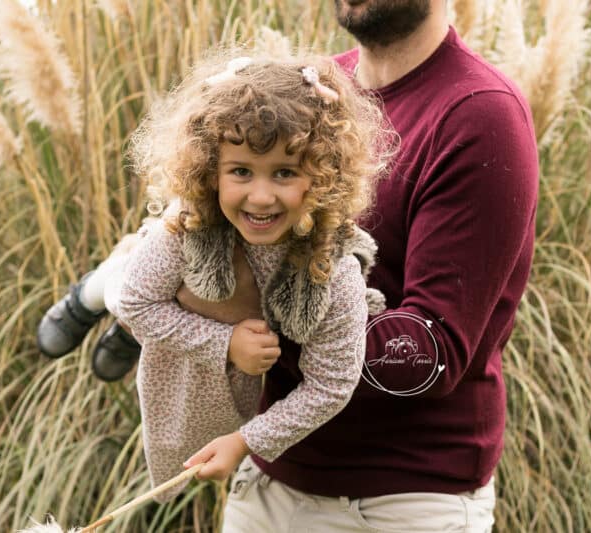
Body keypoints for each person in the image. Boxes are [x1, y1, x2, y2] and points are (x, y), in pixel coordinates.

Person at [178, 2, 539, 532]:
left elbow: (428, 353)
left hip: (400, 503)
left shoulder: (479, 113)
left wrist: (245, 310)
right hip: (268, 484)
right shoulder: (314, 95)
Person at [38, 50, 393, 499]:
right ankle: (91, 291)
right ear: (211, 171)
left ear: (321, 177)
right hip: (150, 282)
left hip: (203, 304)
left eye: (284, 173)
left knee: (185, 300)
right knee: (128, 281)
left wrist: (246, 440)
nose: (260, 197)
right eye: (240, 171)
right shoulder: (188, 223)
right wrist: (224, 344)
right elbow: (136, 301)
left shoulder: (333, 267)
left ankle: (133, 333)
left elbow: (333, 383)